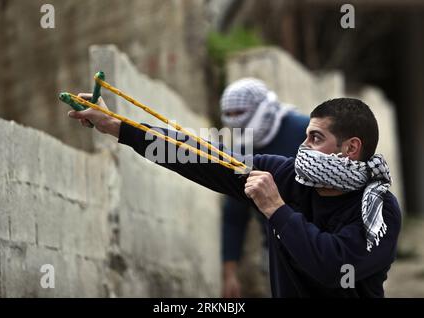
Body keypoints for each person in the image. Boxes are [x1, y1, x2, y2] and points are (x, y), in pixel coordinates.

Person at [68, 96, 401, 297]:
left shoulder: (377, 207)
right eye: (305, 136)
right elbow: (202, 156)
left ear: (351, 148)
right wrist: (119, 127)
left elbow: (333, 265)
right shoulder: (287, 175)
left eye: (315, 138)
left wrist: (277, 209)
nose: (304, 147)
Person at [219, 78, 309, 297]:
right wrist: (230, 274)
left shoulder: (306, 132)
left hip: (320, 244)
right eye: (228, 115)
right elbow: (234, 215)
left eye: (239, 112)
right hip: (275, 252)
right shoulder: (242, 150)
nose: (234, 120)